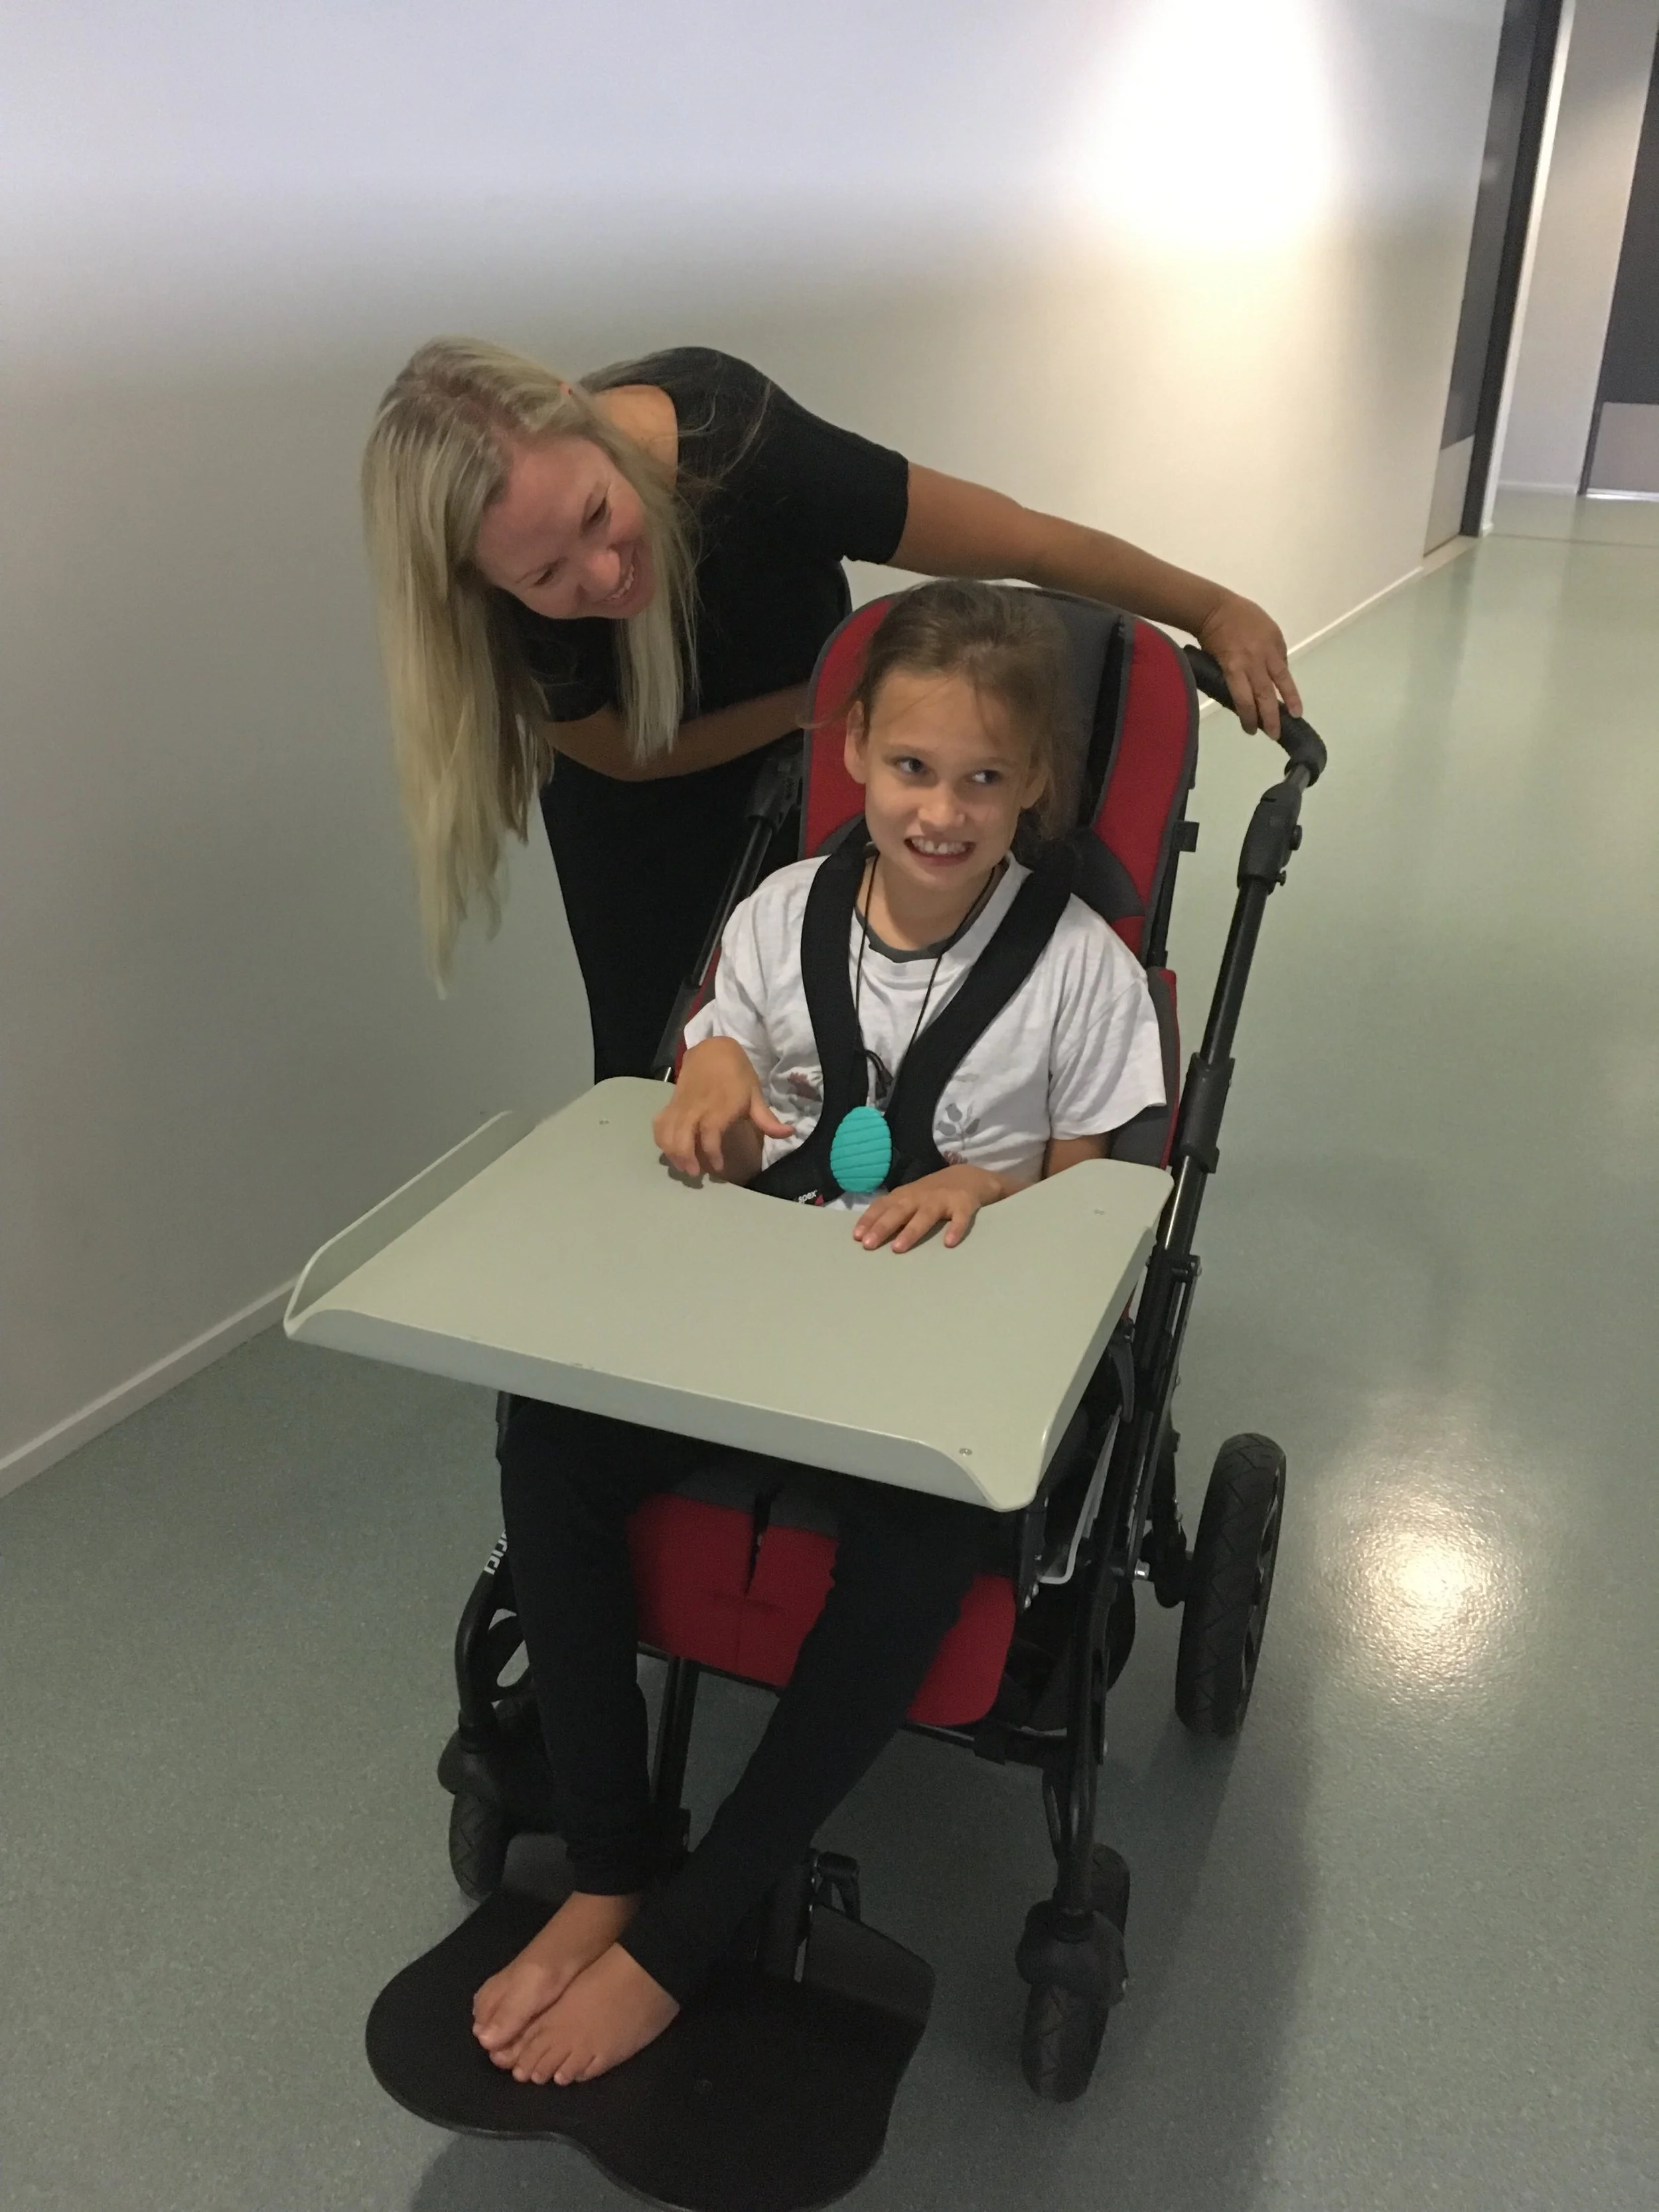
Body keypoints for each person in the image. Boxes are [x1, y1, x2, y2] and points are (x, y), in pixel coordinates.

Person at [471, 581, 1166, 2089]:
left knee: (925, 1545)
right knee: (552, 1443)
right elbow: (718, 1030)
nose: (942, 809)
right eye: (912, 768)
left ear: (1034, 785)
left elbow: (1095, 1201)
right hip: (755, 1317)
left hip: (932, 1357)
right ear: (852, 750)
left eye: (985, 778)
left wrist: (989, 1178)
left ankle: (691, 1921)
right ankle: (606, 1858)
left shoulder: (1082, 974)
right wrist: (710, 1073)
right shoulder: (784, 915)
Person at [360, 340, 1301, 1078]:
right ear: (482, 583)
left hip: (834, 767)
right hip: (649, 816)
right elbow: (626, 754)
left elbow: (1016, 538)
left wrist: (1210, 607)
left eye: (598, 516)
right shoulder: (497, 614)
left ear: (578, 412)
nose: (604, 575)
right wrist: (810, 710)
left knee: (876, 1024)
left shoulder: (736, 437)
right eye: (547, 575)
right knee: (662, 1054)